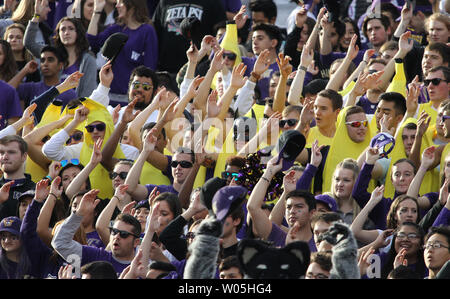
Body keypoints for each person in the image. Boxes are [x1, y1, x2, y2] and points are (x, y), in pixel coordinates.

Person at [51, 189, 142, 277]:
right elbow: (60, 243)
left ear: (136, 242)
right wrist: (79, 214)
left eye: (123, 234)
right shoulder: (96, 256)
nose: (117, 236)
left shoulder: (141, 269)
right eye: (114, 232)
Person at [87, 0, 158, 106]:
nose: (117, 5)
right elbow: (92, 40)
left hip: (133, 99)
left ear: (132, 5)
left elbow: (150, 68)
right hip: (110, 96)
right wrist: (97, 11)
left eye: (121, 2)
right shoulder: (116, 28)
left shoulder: (147, 31)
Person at [246, 155, 316, 251]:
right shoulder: (279, 237)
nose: (292, 211)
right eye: (288, 207)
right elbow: (252, 207)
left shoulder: (319, 243)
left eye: (299, 206)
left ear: (312, 213)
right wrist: (269, 171)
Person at [24, 16, 97, 97]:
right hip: (51, 105)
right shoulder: (51, 54)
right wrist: (36, 15)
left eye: (71, 29)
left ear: (78, 32)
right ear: (58, 34)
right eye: (63, 29)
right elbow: (29, 43)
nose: (66, 33)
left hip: (76, 107)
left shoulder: (88, 59)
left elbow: (88, 92)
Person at [152, 0, 226, 75]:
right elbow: (155, 32)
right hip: (166, 69)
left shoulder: (212, 2)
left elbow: (221, 33)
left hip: (198, 69)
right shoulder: (165, 1)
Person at [11, 45, 77, 109]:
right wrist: (25, 70)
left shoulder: (69, 93)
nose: (45, 63)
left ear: (60, 65)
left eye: (50, 60)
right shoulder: (32, 88)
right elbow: (5, 92)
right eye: (42, 60)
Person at [0, 135, 36, 221]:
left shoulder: (35, 190)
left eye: (11, 152)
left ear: (24, 156)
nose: (5, 157)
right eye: (1, 153)